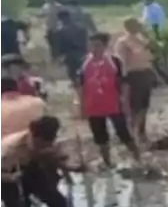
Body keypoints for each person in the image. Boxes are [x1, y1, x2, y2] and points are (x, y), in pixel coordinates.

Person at [0, 116, 72, 207]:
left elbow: (54, 158)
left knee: (57, 200)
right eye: (40, 145)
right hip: (7, 173)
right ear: (34, 136)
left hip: (30, 166)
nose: (44, 147)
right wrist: (10, 178)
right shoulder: (9, 149)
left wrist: (69, 167)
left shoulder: (48, 142)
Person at [80, 33, 139, 167]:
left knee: (123, 133)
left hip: (113, 104)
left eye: (98, 46)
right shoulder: (85, 64)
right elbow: (81, 86)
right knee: (100, 138)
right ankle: (108, 164)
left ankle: (138, 158)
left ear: (105, 47)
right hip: (93, 106)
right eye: (91, 46)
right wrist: (81, 106)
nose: (94, 49)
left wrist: (125, 103)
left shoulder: (115, 62)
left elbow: (124, 83)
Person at [115, 18, 155, 145]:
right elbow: (121, 61)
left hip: (144, 73)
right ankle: (133, 133)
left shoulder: (141, 40)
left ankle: (141, 131)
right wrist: (123, 79)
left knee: (144, 105)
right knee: (134, 106)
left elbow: (154, 49)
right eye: (137, 25)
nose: (139, 27)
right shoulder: (123, 42)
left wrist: (147, 35)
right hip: (132, 75)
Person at [51, 9, 88, 88]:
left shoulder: (61, 31)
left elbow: (59, 46)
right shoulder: (81, 28)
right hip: (82, 53)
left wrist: (56, 56)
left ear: (60, 19)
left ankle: (77, 87)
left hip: (70, 55)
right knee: (83, 72)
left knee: (72, 73)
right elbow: (85, 41)